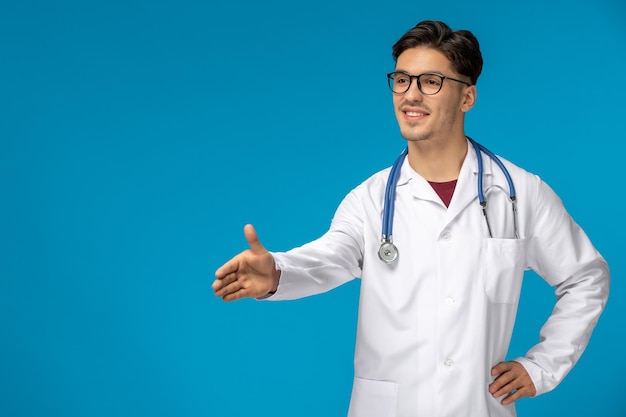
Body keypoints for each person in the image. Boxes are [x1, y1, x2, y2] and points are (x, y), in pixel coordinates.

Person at [212, 20, 610, 417]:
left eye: (430, 81)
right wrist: (278, 272)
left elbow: (586, 277)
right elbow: (330, 257)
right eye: (401, 80)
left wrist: (542, 368)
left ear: (467, 97)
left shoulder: (520, 193)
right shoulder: (369, 200)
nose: (410, 95)